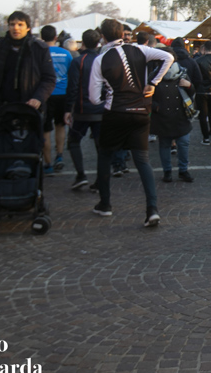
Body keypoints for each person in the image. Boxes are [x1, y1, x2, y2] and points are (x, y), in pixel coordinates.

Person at [88, 18, 174, 227]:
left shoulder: (100, 60)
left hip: (115, 112)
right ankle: (152, 209)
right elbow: (168, 57)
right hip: (140, 111)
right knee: (142, 160)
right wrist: (153, 83)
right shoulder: (140, 50)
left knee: (105, 156)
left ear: (103, 36)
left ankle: (105, 204)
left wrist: (104, 100)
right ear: (123, 33)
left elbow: (93, 97)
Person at [0, 11, 56, 120]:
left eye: (20, 24)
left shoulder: (39, 49)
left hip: (29, 105)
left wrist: (38, 98)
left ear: (28, 28)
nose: (16, 28)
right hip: (2, 106)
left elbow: (49, 78)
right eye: (12, 24)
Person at [64, 29, 103, 191]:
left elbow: (72, 87)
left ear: (83, 43)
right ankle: (101, 180)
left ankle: (81, 175)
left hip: (82, 109)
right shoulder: (103, 61)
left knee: (73, 141)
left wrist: (68, 109)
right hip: (100, 109)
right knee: (101, 147)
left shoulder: (78, 61)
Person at [150, 48, 194, 183]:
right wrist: (155, 106)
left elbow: (192, 93)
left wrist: (189, 86)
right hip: (163, 116)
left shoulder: (182, 73)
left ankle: (183, 170)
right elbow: (146, 95)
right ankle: (167, 171)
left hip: (180, 115)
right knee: (164, 144)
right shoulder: (154, 76)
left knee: (184, 143)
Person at [41, 25, 73, 174]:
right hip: (63, 94)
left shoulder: (39, 53)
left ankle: (47, 163)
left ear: (42, 37)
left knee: (45, 129)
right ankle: (59, 155)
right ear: (56, 38)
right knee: (60, 126)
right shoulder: (66, 54)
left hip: (45, 95)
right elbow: (71, 75)